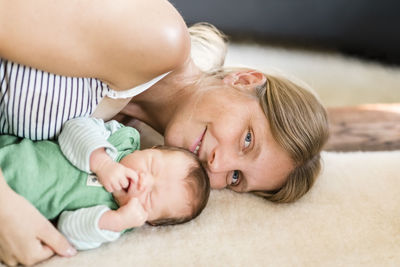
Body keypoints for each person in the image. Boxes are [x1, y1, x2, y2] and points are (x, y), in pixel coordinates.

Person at [0, 0, 329, 265]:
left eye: (235, 178)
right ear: (244, 80)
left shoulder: (128, 147)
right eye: (247, 140)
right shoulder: (160, 38)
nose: (217, 164)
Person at [0, 117, 210, 251]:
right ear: (150, 148)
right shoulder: (120, 140)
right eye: (151, 165)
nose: (144, 181)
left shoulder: (113, 217)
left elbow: (69, 229)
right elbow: (74, 127)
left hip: (12, 210)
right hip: (12, 152)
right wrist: (103, 163)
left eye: (150, 198)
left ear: (150, 220)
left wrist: (117, 221)